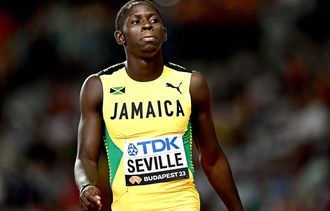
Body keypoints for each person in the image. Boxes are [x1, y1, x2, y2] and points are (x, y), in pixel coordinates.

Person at [74, 0, 244, 210]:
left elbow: (213, 159)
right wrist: (85, 186)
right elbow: (86, 156)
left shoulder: (191, 84)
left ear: (164, 33)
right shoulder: (99, 87)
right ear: (120, 37)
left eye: (153, 20)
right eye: (136, 21)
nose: (147, 25)